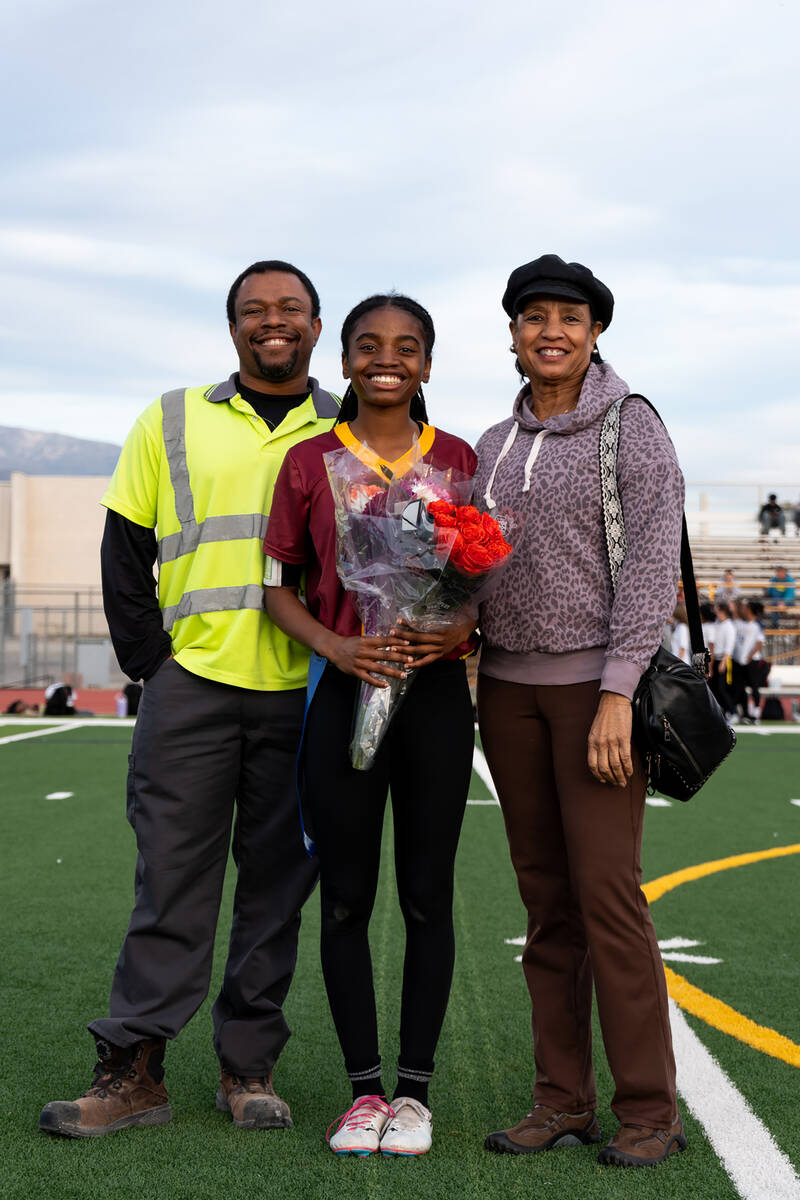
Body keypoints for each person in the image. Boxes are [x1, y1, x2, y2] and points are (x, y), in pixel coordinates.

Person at [39, 260, 340, 1139]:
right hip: (193, 690)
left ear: (317, 327)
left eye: (289, 309)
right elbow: (124, 547)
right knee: (169, 883)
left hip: (307, 693)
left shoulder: (358, 421)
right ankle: (134, 1071)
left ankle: (247, 1069)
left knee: (276, 891)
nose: (271, 322)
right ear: (233, 327)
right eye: (254, 311)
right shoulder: (169, 417)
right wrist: (152, 665)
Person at [472, 254, 686, 1168]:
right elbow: (473, 565)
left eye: (569, 317)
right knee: (545, 902)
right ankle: (562, 1100)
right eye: (533, 318)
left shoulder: (631, 427)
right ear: (514, 334)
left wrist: (617, 691)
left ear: (596, 331)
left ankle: (650, 1112)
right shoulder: (489, 443)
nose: (550, 331)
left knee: (607, 897)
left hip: (597, 694)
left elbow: (649, 566)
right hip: (506, 693)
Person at [263, 294, 477, 1158]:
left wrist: (456, 628)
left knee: (427, 896)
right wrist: (338, 649)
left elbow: (477, 578)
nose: (388, 359)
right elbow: (278, 585)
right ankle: (361, 1094)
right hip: (344, 691)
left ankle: (414, 1095)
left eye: (408, 347)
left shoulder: (457, 458)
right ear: (345, 359)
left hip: (432, 701)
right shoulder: (311, 461)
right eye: (369, 345)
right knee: (347, 897)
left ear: (427, 364)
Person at [711, 601, 737, 720]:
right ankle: (723, 712)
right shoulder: (718, 623)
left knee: (722, 688)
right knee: (715, 688)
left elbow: (729, 645)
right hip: (716, 658)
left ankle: (733, 712)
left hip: (724, 659)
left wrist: (723, 662)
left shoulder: (729, 625)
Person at [765, 565, 796, 629]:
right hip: (777, 601)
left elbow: (790, 594)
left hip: (789, 601)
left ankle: (775, 624)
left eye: (780, 572)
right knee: (774, 603)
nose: (778, 574)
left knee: (775, 604)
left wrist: (783, 602)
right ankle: (775, 624)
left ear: (785, 573)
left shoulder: (790, 580)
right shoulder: (774, 580)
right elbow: (769, 591)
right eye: (777, 572)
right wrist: (767, 592)